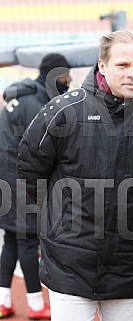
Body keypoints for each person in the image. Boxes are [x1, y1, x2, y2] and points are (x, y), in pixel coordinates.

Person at [17, 30, 133, 321]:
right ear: (102, 66)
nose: (132, 73)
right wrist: (62, 216)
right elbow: (30, 169)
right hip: (70, 263)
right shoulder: (64, 111)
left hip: (130, 264)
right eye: (123, 65)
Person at [0, 53, 71, 319]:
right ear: (57, 75)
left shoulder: (20, 95)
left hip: (4, 180)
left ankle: (3, 300)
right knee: (28, 241)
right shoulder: (39, 103)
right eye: (66, 76)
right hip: (19, 182)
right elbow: (39, 152)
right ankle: (36, 304)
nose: (70, 81)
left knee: (11, 241)